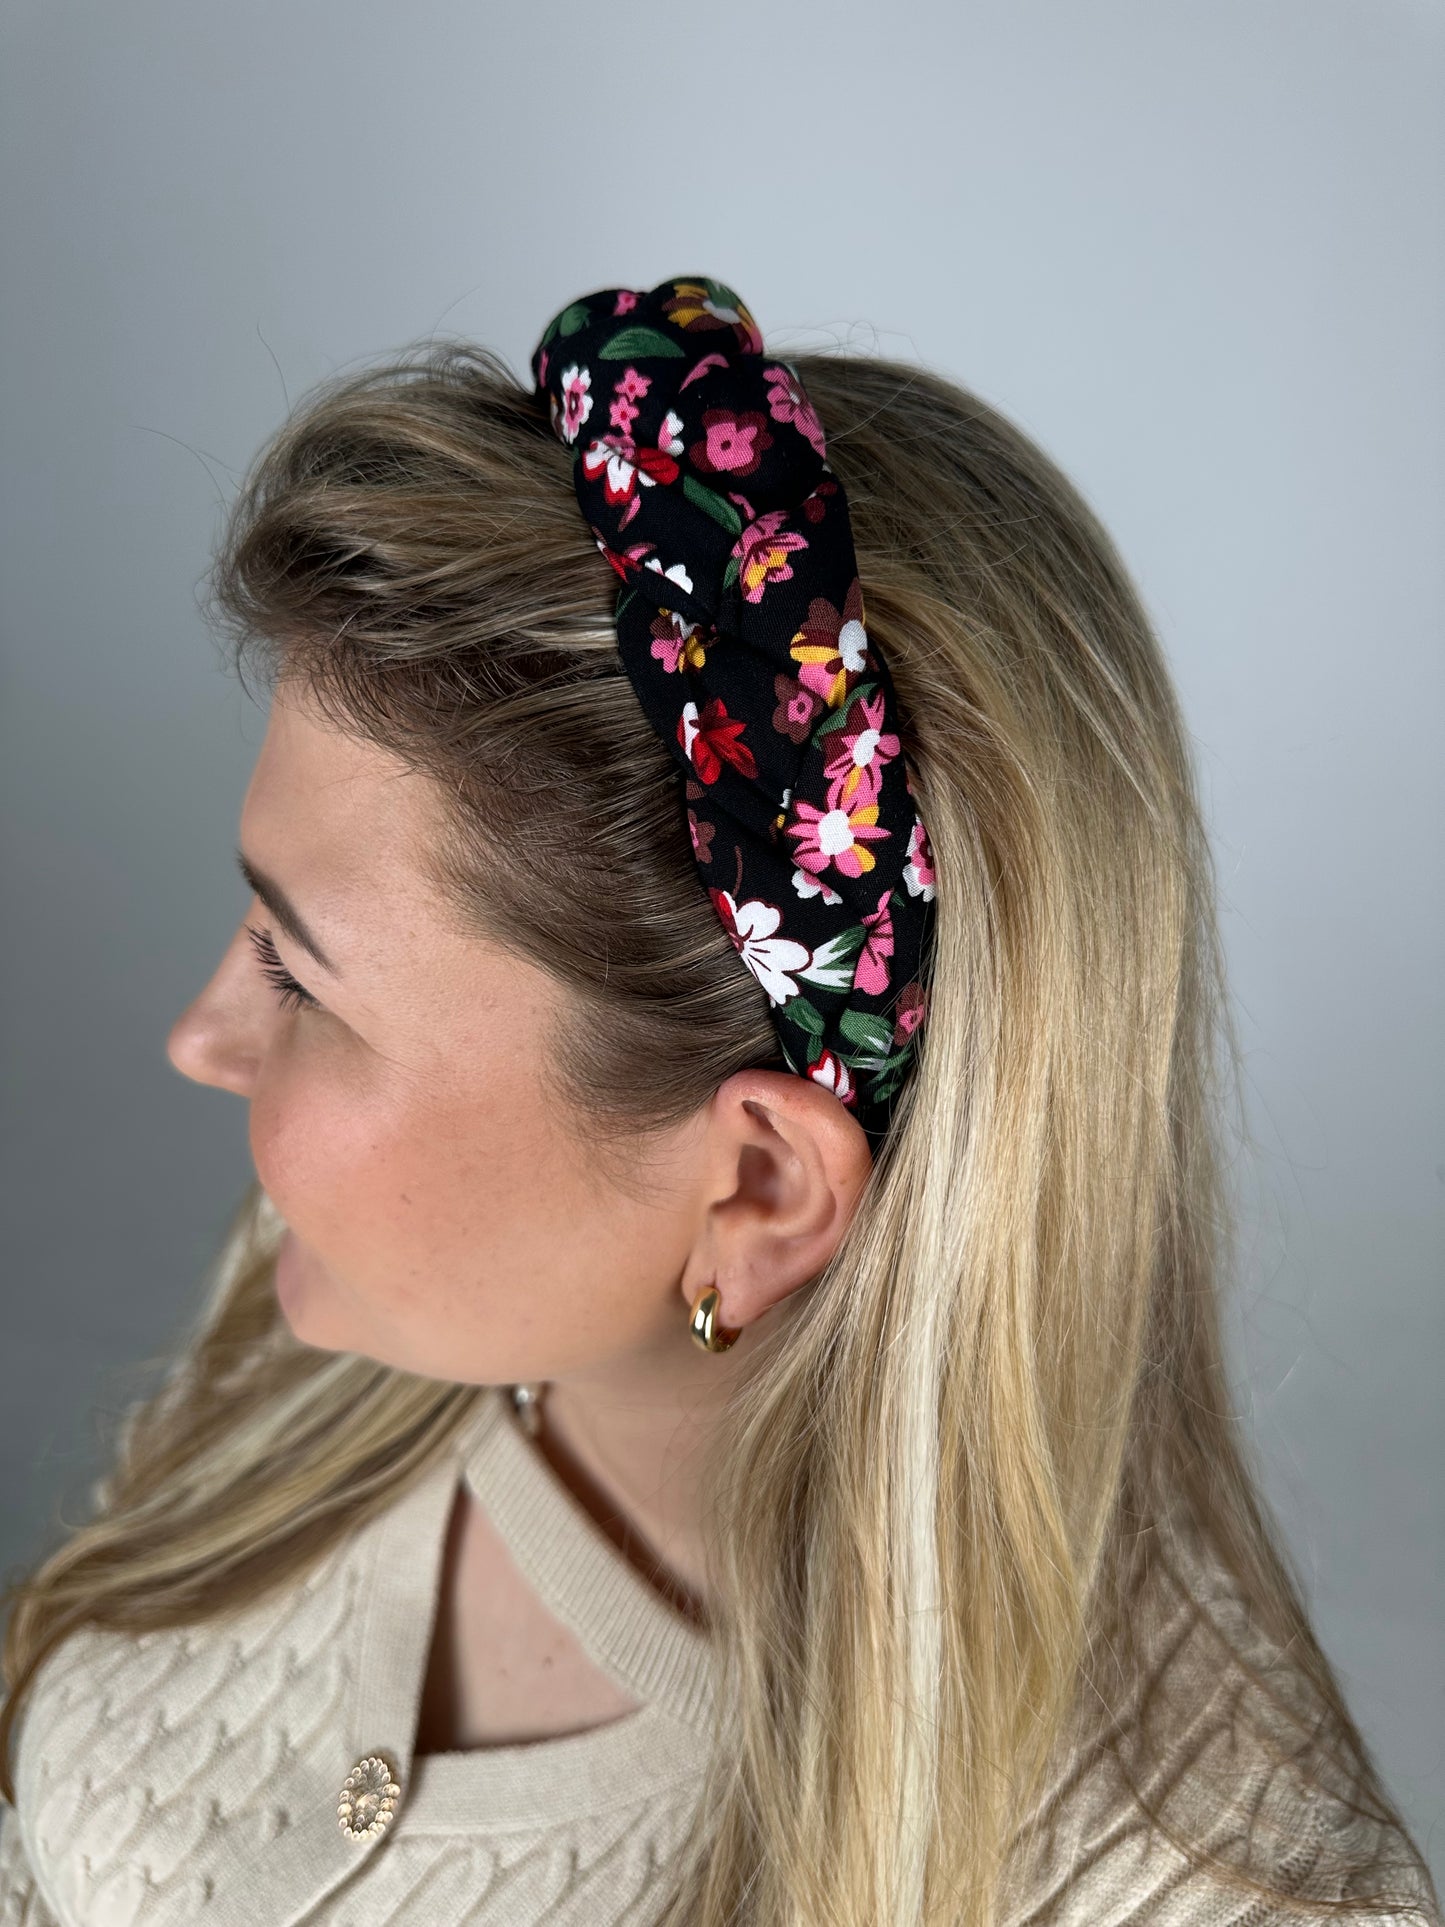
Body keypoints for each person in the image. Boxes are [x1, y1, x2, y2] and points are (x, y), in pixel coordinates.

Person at [0, 273, 1437, 1927]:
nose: (202, 1038)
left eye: (301, 977)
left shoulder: (1201, 1894)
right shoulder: (316, 1329)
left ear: (757, 1192)